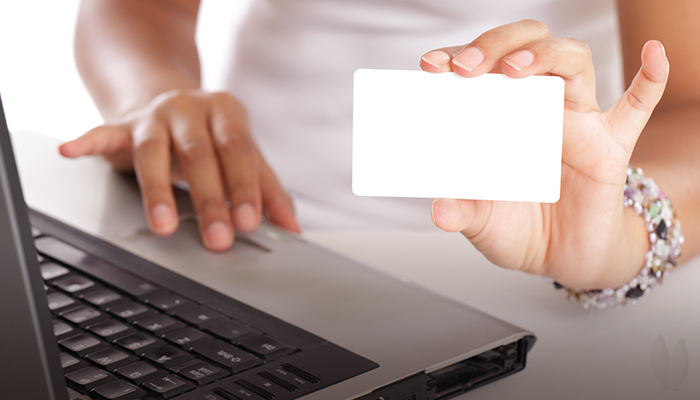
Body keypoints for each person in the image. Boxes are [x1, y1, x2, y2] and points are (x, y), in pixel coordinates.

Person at [59, 0, 700, 298]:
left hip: (518, 265)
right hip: (229, 222)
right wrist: (156, 96)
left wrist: (619, 235)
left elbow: (691, 99)